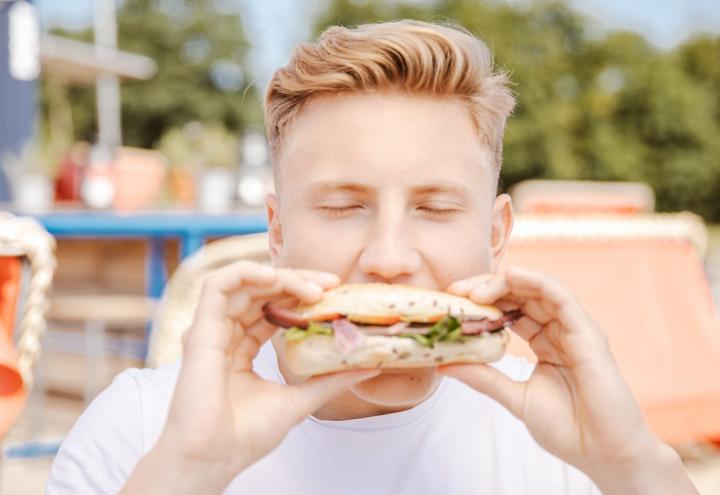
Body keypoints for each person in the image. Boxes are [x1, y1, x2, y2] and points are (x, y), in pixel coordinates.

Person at [47, 20, 698, 494]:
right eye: (341, 206)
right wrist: (187, 471)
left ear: (495, 236)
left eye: (436, 208)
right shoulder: (137, 429)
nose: (389, 258)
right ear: (277, 232)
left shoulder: (568, 452)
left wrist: (631, 464)